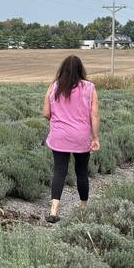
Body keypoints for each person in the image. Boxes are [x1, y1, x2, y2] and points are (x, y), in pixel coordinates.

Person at [42, 55, 100, 223]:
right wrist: (95, 138)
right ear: (81, 69)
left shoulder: (54, 86)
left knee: (59, 171)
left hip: (59, 136)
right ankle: (84, 210)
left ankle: (53, 211)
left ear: (63, 69)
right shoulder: (89, 87)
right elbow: (94, 115)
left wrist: (58, 121)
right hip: (81, 136)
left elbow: (46, 113)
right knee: (81, 172)